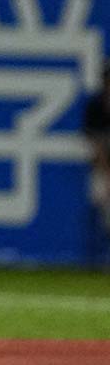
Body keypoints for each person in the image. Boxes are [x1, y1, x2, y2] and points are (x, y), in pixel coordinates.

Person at [83, 62, 110, 254]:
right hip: (101, 168)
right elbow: (95, 143)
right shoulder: (95, 106)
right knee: (100, 199)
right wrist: (107, 174)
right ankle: (97, 253)